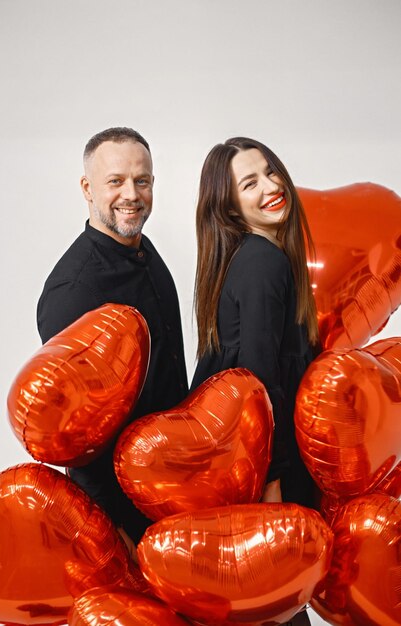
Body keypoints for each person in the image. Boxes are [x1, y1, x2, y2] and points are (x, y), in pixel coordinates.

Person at [37, 127, 188, 551]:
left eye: (142, 181)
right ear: (87, 188)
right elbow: (75, 435)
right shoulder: (74, 290)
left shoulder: (144, 250)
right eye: (116, 181)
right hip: (125, 514)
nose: (131, 194)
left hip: (176, 487)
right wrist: (116, 531)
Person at [191, 137, 319, 626]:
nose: (271, 186)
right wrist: (272, 489)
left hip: (244, 474)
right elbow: (258, 386)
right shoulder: (263, 263)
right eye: (251, 182)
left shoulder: (248, 259)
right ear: (230, 207)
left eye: (271, 172)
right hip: (261, 479)